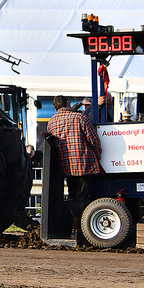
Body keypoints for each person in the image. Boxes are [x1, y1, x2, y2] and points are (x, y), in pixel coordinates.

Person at [47, 95, 103, 238]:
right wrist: (98, 156)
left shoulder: (51, 122)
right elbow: (94, 140)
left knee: (74, 195)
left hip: (65, 166)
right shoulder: (80, 118)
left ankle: (75, 227)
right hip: (83, 164)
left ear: (55, 107)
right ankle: (79, 229)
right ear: (67, 103)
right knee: (84, 197)